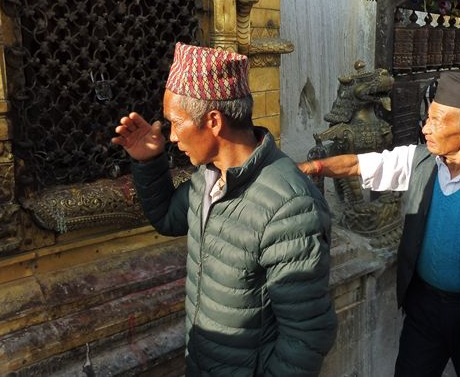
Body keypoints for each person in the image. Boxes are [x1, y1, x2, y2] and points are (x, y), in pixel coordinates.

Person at [299, 72, 460, 377]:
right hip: (425, 309)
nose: (425, 128)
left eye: (437, 121)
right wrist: (313, 167)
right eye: (427, 118)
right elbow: (355, 164)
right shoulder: (417, 161)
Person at [112, 43, 337, 376]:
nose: (172, 136)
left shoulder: (288, 206)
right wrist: (148, 162)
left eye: (176, 123)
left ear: (213, 121)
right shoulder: (209, 176)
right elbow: (168, 218)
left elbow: (307, 334)